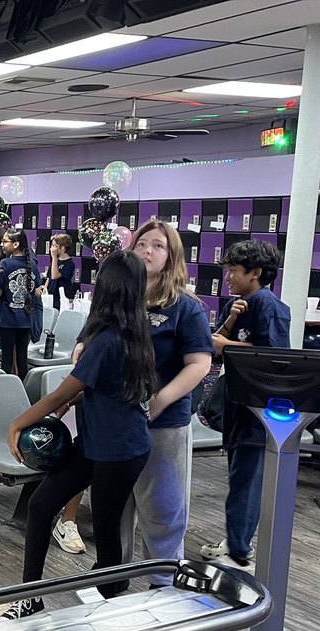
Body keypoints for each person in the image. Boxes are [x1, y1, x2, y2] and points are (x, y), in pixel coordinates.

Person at [0, 251, 157, 621]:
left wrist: (16, 424)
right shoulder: (131, 333)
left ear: (105, 288)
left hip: (120, 452)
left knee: (105, 534)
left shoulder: (107, 341)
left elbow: (58, 393)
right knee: (41, 507)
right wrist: (84, 395)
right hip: (97, 443)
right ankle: (31, 596)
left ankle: (108, 610)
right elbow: (110, 387)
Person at [117, 220, 214, 582]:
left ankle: (163, 583)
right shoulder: (119, 300)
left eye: (158, 246)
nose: (147, 251)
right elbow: (87, 342)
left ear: (172, 256)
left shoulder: (185, 307)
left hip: (163, 423)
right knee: (116, 506)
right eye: (142, 244)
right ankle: (112, 580)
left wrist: (159, 401)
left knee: (163, 508)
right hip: (117, 420)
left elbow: (200, 364)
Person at [201, 239, 290, 569]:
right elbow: (213, 345)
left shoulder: (270, 306)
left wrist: (227, 345)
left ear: (255, 273)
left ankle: (240, 551)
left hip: (258, 409)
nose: (227, 277)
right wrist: (227, 328)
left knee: (246, 480)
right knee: (239, 476)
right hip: (236, 403)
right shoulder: (236, 304)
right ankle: (237, 539)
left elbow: (274, 359)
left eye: (234, 271)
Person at [0, 227, 38, 381]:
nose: (2, 244)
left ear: (16, 244)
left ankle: (7, 390)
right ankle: (23, 389)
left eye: (5, 241)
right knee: (22, 359)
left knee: (7, 359)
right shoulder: (33, 264)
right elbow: (36, 290)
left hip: (8, 320)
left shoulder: (6, 263)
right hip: (26, 320)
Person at [43, 234, 76, 310]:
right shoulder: (56, 261)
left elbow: (55, 276)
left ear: (62, 248)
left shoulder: (69, 263)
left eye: (54, 246)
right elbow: (49, 277)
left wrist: (54, 257)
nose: (52, 248)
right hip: (51, 296)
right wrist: (45, 290)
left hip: (61, 298)